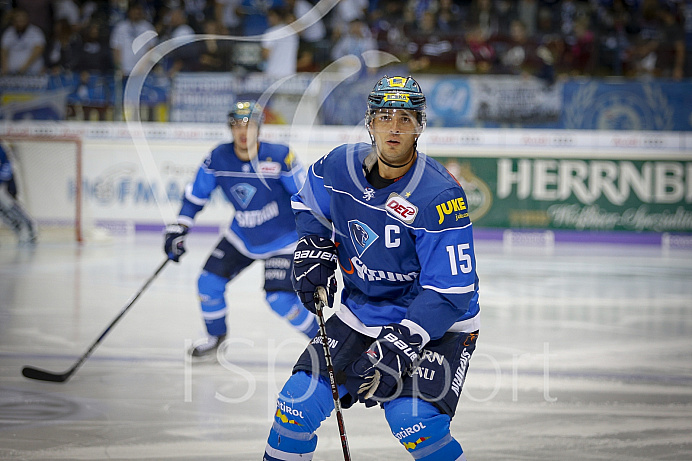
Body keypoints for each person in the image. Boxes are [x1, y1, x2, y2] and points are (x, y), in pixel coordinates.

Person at [263, 75, 481, 460]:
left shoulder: (440, 195)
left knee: (414, 421)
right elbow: (308, 203)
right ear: (370, 123)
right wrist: (314, 244)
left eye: (405, 119)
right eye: (384, 117)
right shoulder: (338, 165)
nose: (394, 128)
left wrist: (404, 340)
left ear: (419, 127)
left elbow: (451, 291)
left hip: (436, 324)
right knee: (295, 408)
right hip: (363, 309)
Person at [163, 101, 319, 358]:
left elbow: (307, 198)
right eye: (237, 125)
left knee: (279, 300)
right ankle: (216, 339)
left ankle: (325, 344)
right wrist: (179, 227)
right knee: (208, 283)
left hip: (284, 240)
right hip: (242, 236)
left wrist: (319, 236)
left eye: (250, 124)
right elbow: (195, 196)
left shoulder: (280, 156)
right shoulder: (218, 157)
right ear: (230, 128)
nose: (243, 131)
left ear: (260, 127)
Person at [0, 142, 37, 244]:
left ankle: (28, 229)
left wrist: (2, 182)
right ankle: (21, 231)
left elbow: (7, 168)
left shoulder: (1, 150)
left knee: (8, 206)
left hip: (4, 186)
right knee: (3, 212)